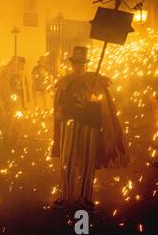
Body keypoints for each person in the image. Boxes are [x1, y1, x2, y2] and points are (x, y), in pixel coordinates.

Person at [52, 46, 129, 209]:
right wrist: (59, 111)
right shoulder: (65, 81)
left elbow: (104, 104)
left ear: (86, 63)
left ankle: (85, 197)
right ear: (72, 64)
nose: (77, 66)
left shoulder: (96, 79)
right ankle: (66, 196)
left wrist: (93, 97)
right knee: (67, 160)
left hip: (90, 124)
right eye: (75, 63)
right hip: (70, 123)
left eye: (80, 63)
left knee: (88, 160)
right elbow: (59, 102)